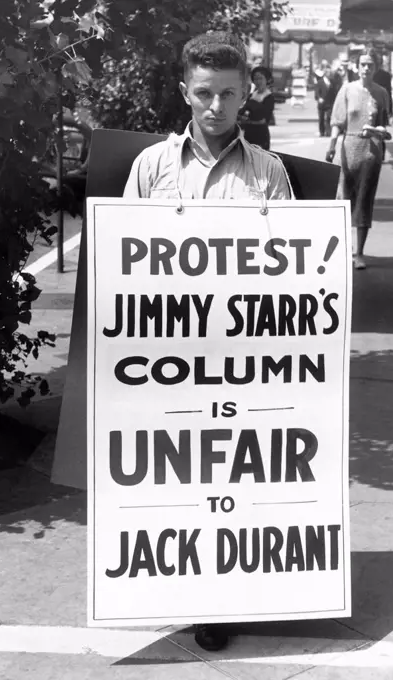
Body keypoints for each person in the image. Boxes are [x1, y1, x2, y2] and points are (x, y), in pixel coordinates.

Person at [123, 30, 293, 652]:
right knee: (177, 482)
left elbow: (291, 277)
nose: (215, 106)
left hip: (243, 361)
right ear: (184, 93)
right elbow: (125, 269)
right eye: (203, 93)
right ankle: (185, 587)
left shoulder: (268, 174)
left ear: (246, 92)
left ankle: (223, 598)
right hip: (168, 358)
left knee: (234, 483)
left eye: (227, 93)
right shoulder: (150, 168)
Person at [326, 49, 390, 271]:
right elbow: (337, 121)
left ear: (376, 68)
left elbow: (385, 123)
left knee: (364, 199)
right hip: (349, 146)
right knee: (343, 198)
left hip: (371, 151)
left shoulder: (381, 92)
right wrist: (332, 145)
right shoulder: (347, 89)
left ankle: (359, 253)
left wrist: (379, 131)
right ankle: (341, 250)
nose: (366, 68)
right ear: (357, 66)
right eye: (363, 64)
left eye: (370, 64)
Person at [240, 65, 275, 149]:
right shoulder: (252, 95)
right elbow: (244, 113)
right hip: (248, 135)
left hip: (261, 136)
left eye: (261, 78)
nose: (258, 81)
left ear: (267, 80)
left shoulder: (269, 97)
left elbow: (263, 120)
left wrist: (248, 121)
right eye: (255, 79)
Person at [314, 63, 338, 136]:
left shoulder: (332, 82)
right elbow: (317, 93)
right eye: (328, 73)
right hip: (321, 104)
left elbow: (335, 92)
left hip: (329, 103)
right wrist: (319, 98)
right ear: (325, 74)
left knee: (328, 117)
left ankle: (328, 132)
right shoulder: (320, 82)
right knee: (321, 118)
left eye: (330, 73)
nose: (329, 74)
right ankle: (322, 132)